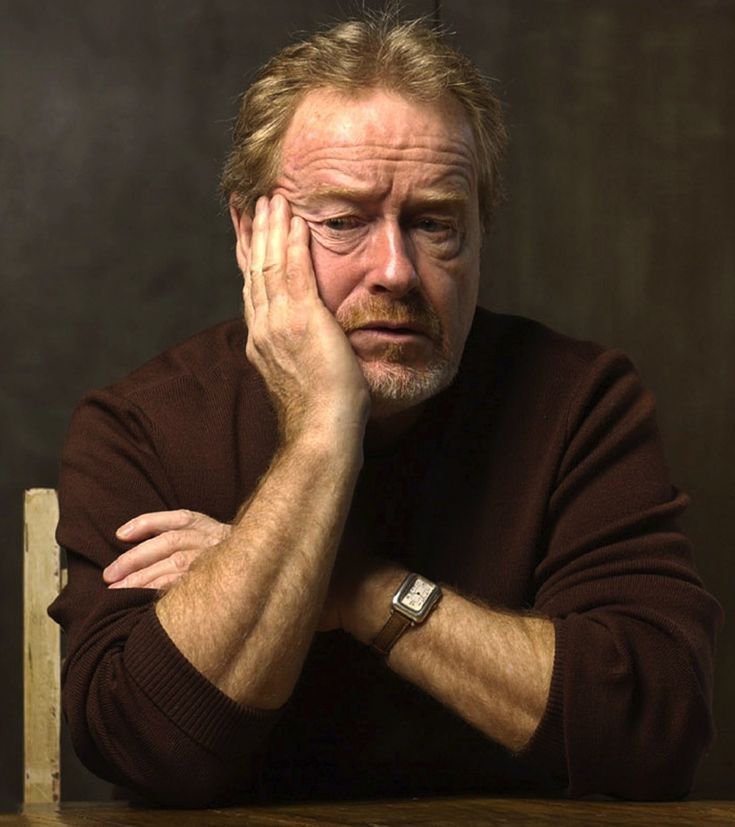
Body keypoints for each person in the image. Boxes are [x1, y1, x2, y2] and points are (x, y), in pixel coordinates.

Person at [50, 13, 721, 807]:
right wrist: (322, 430)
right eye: (342, 222)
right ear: (247, 232)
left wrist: (353, 590)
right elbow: (147, 748)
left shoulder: (579, 403)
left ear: (479, 229)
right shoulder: (141, 426)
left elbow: (651, 733)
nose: (396, 270)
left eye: (435, 222)